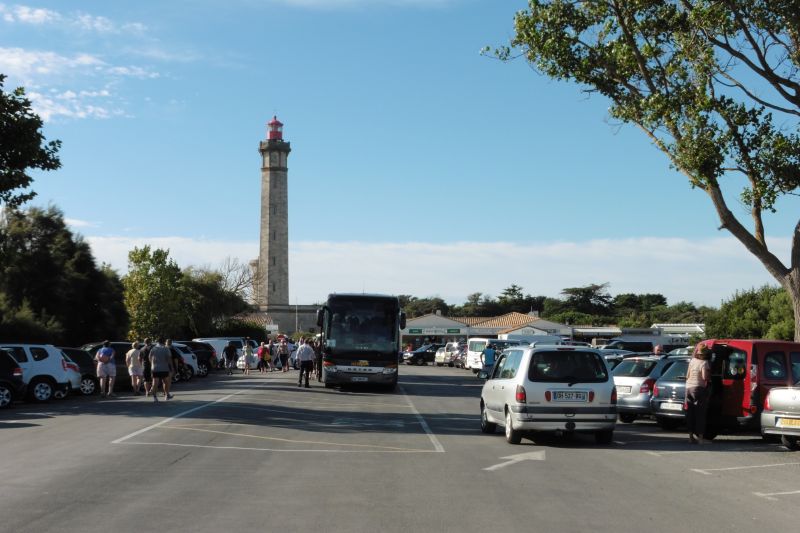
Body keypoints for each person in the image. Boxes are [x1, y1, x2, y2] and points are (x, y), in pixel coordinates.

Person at [685, 344, 712, 444]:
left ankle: (691, 437)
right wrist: (709, 377)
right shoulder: (704, 363)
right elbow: (705, 377)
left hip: (688, 388)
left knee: (690, 413)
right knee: (700, 414)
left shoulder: (692, 361)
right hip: (698, 388)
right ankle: (700, 438)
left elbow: (687, 375)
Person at [149, 338, 174, 402]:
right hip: (164, 368)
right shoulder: (166, 348)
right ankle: (166, 395)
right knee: (166, 382)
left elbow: (149, 358)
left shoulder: (153, 349)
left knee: (155, 383)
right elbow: (169, 359)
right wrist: (171, 367)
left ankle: (155, 397)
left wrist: (152, 364)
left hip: (155, 368)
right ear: (163, 342)